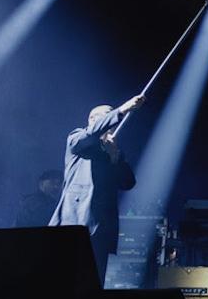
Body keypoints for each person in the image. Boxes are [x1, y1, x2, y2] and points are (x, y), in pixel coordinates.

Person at [49, 95, 144, 285]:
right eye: (106, 117)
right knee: (66, 280)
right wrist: (121, 110)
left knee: (93, 282)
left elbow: (127, 183)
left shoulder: (111, 150)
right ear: (93, 120)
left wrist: (115, 157)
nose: (112, 123)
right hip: (74, 222)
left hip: (101, 228)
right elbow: (88, 136)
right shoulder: (78, 139)